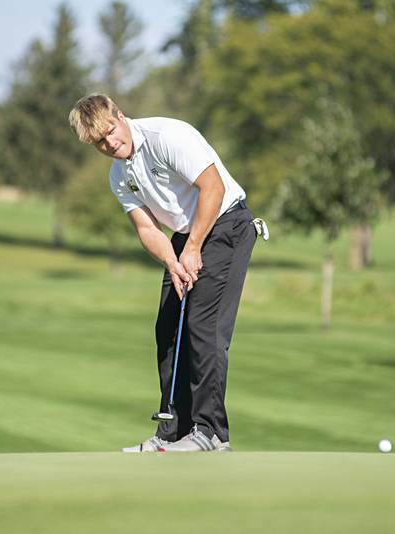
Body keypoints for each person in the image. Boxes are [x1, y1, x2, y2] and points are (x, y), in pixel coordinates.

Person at [68, 94, 265, 452]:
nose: (110, 143)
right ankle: (173, 432)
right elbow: (146, 229)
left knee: (203, 326)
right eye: (99, 142)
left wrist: (192, 248)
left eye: (111, 131)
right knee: (169, 328)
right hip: (185, 235)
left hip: (227, 223)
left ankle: (211, 433)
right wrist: (173, 262)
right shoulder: (118, 175)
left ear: (120, 115)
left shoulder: (167, 137)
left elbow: (214, 188)